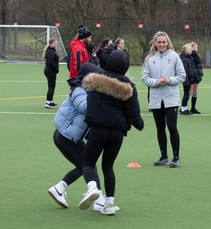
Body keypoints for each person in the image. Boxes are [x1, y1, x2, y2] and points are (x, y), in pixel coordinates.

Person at [48, 63, 120, 212]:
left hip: (66, 136)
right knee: (90, 164)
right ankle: (99, 200)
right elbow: (85, 107)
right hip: (67, 136)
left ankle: (59, 188)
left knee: (82, 167)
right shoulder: (78, 90)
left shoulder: (87, 90)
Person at [78, 50, 144, 215]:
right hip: (117, 133)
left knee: (88, 163)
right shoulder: (129, 87)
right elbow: (134, 114)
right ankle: (109, 204)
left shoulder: (94, 81)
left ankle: (92, 187)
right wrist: (139, 124)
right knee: (108, 166)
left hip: (97, 130)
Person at [142, 31, 186, 168]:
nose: (161, 44)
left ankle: (176, 157)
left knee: (172, 127)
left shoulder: (174, 57)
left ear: (167, 43)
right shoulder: (150, 58)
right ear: (155, 43)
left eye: (163, 42)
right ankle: (163, 156)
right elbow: (145, 78)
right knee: (160, 128)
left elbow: (181, 76)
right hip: (156, 98)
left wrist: (168, 80)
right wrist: (156, 82)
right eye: (159, 42)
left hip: (171, 98)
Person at [179, 43, 196, 115]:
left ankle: (184, 108)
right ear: (185, 50)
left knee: (187, 94)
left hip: (190, 79)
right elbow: (185, 71)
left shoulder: (190, 58)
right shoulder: (184, 59)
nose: (191, 50)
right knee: (186, 94)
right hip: (186, 80)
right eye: (189, 49)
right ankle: (183, 109)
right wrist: (186, 80)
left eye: (191, 49)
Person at [43, 38, 59, 109]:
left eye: (56, 43)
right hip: (50, 71)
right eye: (54, 43)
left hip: (50, 70)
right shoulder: (51, 52)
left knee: (52, 86)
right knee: (51, 87)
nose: (56, 44)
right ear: (50, 44)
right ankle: (48, 102)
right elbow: (50, 62)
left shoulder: (51, 50)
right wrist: (56, 69)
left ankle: (51, 101)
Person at [189, 41, 204, 114]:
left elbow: (199, 66)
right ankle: (183, 106)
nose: (196, 49)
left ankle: (193, 108)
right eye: (194, 47)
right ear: (190, 48)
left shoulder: (197, 56)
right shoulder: (190, 56)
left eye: (196, 48)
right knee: (190, 91)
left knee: (195, 91)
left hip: (197, 76)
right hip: (192, 76)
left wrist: (200, 75)